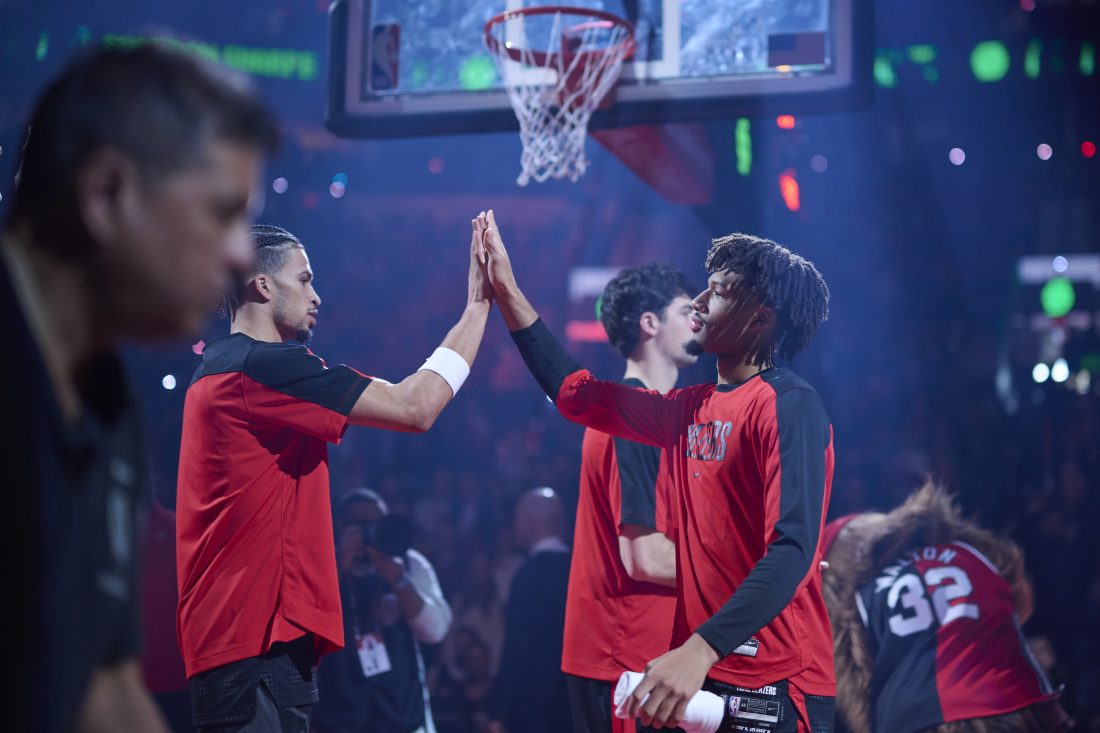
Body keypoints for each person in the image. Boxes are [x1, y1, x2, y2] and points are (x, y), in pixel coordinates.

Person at [0, 42, 276, 733]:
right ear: (107, 193)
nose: (243, 252)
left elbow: (107, 683)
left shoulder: (107, 397)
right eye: (223, 212)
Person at [478, 211, 836, 732]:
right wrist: (508, 293)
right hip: (706, 670)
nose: (698, 301)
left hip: (778, 676)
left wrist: (699, 648)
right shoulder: (687, 407)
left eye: (717, 292)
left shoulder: (789, 404)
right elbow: (576, 396)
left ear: (760, 318)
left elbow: (793, 550)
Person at [176, 218, 493, 732]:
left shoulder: (223, 369)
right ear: (262, 285)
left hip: (246, 639)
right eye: (304, 280)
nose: (316, 295)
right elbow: (417, 407)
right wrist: (478, 307)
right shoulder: (262, 369)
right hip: (251, 640)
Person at [562, 263, 698, 733]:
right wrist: (753, 573)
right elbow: (644, 557)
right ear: (649, 323)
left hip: (636, 659)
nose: (697, 320)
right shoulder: (633, 415)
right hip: (629, 661)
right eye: (685, 310)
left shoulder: (645, 415)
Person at [820, 481, 1068, 733]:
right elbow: (1019, 598)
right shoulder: (968, 551)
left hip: (920, 716)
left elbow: (857, 689)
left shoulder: (858, 595)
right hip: (1015, 700)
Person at [313, 488, 452, 733]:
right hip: (339, 719)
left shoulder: (409, 563)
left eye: (377, 524)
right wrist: (338, 569)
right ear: (339, 526)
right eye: (360, 525)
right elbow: (306, 631)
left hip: (404, 716)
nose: (369, 533)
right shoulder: (322, 566)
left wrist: (399, 581)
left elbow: (436, 631)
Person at [488, 488, 574, 733]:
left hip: (532, 709)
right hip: (571, 704)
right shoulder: (581, 570)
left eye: (516, 517)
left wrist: (499, 710)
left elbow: (518, 646)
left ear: (532, 521)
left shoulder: (529, 575)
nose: (514, 525)